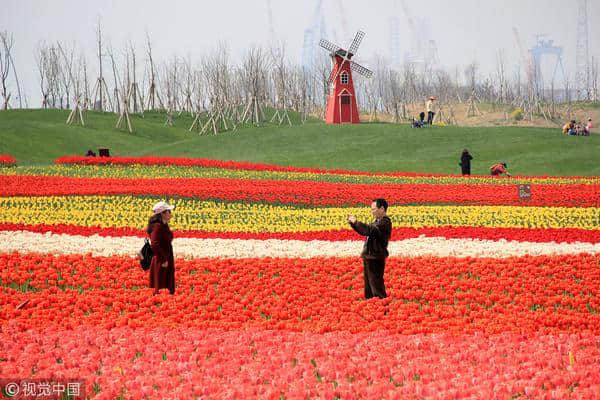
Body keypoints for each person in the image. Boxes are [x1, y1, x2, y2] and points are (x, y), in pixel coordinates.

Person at [347, 199, 392, 299]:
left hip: (376, 257)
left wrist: (356, 222)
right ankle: (372, 309)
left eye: (374, 209)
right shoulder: (377, 222)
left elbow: (369, 230)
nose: (372, 211)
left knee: (376, 287)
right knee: (369, 288)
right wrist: (354, 224)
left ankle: (382, 310)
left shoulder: (385, 222)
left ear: (382, 209)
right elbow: (366, 231)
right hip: (370, 257)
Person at [147, 201, 176, 295]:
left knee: (166, 285)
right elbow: (155, 244)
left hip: (165, 258)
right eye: (169, 211)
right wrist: (163, 259)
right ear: (162, 213)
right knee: (162, 286)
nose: (170, 214)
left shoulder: (163, 225)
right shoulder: (157, 226)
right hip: (161, 260)